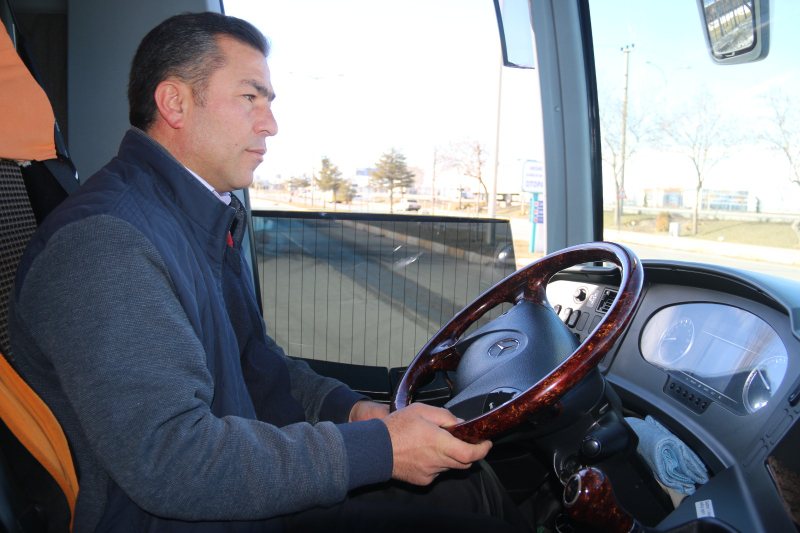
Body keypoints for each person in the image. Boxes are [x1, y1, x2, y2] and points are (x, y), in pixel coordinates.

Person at [8, 11, 530, 533]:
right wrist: (379, 451)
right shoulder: (109, 242)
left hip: (234, 491)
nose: (270, 123)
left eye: (270, 102)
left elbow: (255, 363)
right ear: (174, 103)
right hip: (178, 517)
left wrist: (349, 412)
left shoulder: (201, 217)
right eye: (250, 97)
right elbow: (172, 462)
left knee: (468, 485)